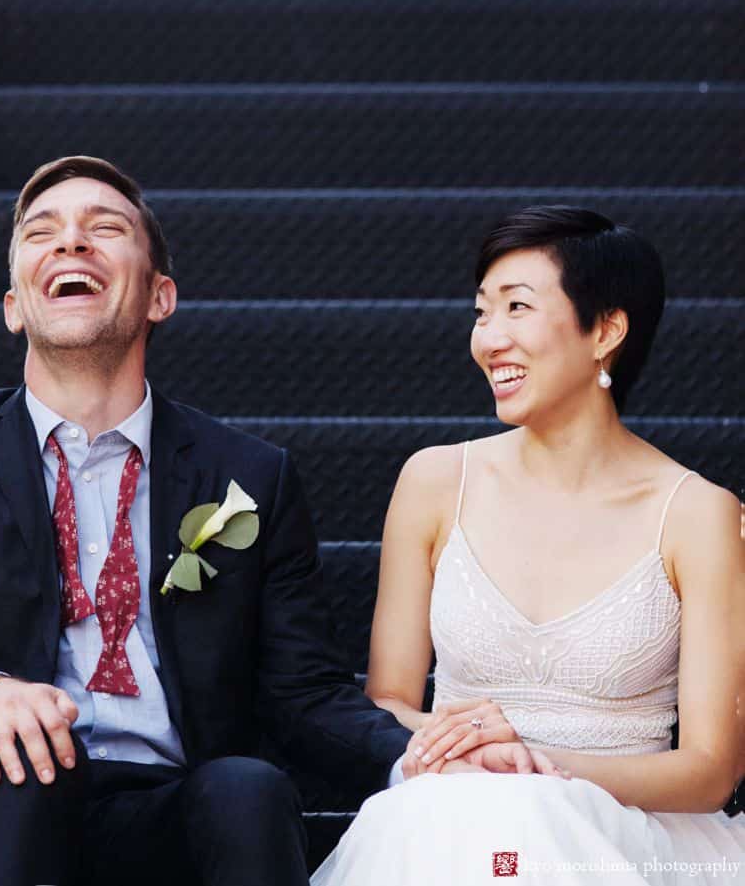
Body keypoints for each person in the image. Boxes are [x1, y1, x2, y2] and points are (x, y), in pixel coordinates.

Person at [0, 154, 414, 886]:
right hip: (0, 800)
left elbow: (305, 694)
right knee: (32, 767)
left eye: (105, 227)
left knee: (248, 787)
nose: (71, 243)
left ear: (160, 296)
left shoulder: (249, 477)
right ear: (13, 306)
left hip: (176, 799)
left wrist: (417, 754)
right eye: (43, 233)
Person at [312, 205, 745, 885]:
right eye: (482, 312)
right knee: (473, 832)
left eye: (517, 307)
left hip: (623, 829)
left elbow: (712, 768)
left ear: (606, 329)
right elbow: (389, 698)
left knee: (512, 837)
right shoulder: (433, 480)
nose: (490, 338)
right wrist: (469, 755)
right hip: (454, 811)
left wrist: (536, 766)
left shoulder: (696, 513)